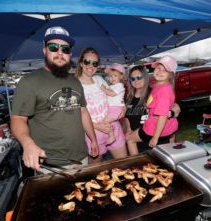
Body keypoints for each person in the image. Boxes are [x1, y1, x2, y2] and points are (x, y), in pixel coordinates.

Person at [11, 26, 99, 172]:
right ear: (44, 50)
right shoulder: (29, 82)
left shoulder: (75, 81)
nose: (60, 52)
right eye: (53, 47)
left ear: (70, 54)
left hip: (81, 157)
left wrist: (93, 139)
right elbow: (18, 119)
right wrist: (27, 144)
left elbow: (83, 112)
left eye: (65, 49)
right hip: (49, 164)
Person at [75, 47, 127, 163]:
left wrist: (123, 106)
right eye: (87, 61)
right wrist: (96, 126)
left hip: (113, 127)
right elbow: (74, 115)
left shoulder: (99, 79)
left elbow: (114, 96)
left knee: (125, 165)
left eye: (95, 63)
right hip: (93, 134)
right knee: (95, 172)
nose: (91, 66)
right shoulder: (75, 85)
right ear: (81, 63)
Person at [126, 56, 179, 155]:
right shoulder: (155, 88)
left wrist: (171, 113)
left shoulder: (156, 90)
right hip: (142, 138)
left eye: (139, 77)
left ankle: (137, 166)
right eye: (132, 78)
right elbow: (126, 117)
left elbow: (175, 107)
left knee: (130, 140)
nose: (136, 80)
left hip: (153, 135)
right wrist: (128, 129)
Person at [100, 63, 126, 144]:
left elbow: (112, 94)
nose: (112, 78)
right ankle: (111, 135)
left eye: (115, 76)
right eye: (111, 76)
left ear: (121, 76)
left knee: (105, 122)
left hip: (116, 109)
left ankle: (112, 136)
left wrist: (103, 89)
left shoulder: (119, 85)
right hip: (112, 108)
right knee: (106, 121)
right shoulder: (112, 86)